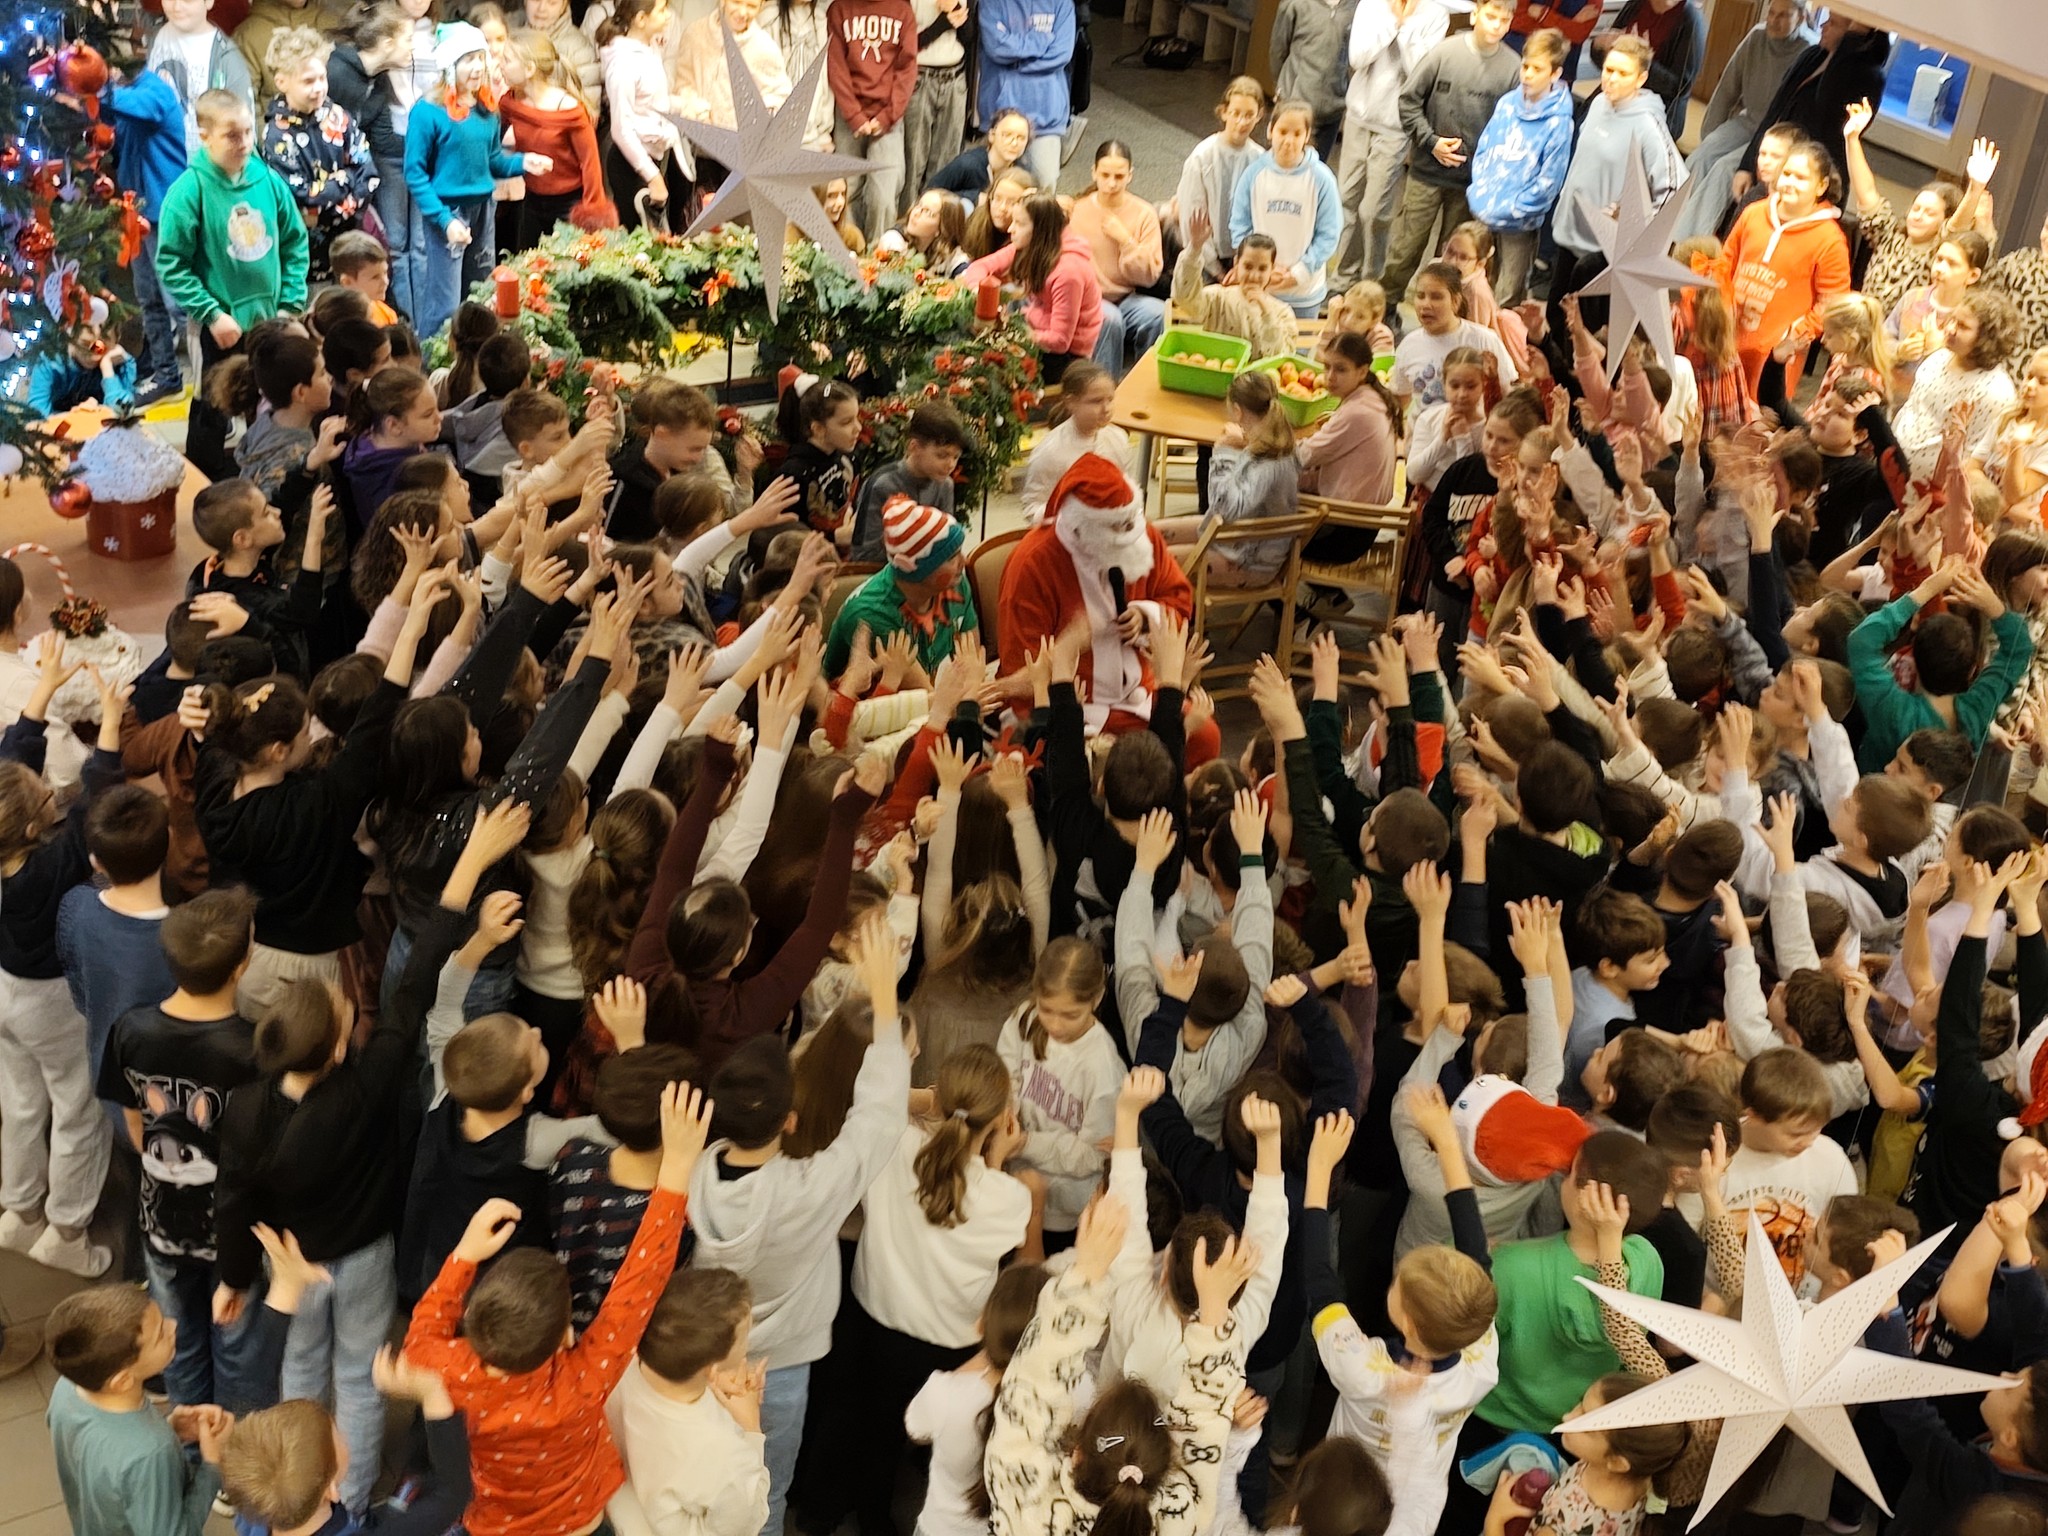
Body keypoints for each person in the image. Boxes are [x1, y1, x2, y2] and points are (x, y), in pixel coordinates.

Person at [403, 1078, 711, 1536]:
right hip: (579, 1521)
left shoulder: (442, 1373)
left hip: (493, 1525)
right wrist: (679, 1165)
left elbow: (422, 1331)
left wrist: (463, 1255)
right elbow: (638, 1285)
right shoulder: (583, 1381)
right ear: (565, 1336)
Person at [98, 889, 264, 1408]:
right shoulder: (257, 1047)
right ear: (242, 964)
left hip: (159, 1225)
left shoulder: (131, 1028)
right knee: (236, 1342)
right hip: (238, 1233)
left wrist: (161, 1165)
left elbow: (134, 1124)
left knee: (177, 1337)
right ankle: (227, 1437)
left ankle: (190, 1430)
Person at [0, 654, 128, 1279]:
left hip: (3, 992)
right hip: (49, 1001)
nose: (54, 794)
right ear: (33, 825)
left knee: (21, 1100)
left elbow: (8, 768)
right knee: (76, 1107)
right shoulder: (48, 872)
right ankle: (68, 1230)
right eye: (46, 797)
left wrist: (40, 698)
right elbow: (95, 798)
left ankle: (19, 1209)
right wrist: (111, 720)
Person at [156, 89, 310, 484]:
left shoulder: (268, 180)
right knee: (213, 405)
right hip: (220, 326)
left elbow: (294, 243)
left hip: (270, 319)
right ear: (205, 136)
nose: (244, 143)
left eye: (248, 132)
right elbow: (172, 264)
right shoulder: (189, 191)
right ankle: (204, 487)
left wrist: (289, 304)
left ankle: (266, 476)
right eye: (231, 135)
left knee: (268, 402)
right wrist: (211, 314)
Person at [996, 452, 1194, 732]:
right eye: (1116, 527)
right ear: (1082, 526)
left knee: (1205, 736)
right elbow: (1023, 665)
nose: (1128, 534)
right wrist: (1069, 646)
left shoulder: (1141, 537)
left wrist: (1145, 616)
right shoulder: (1032, 563)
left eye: (1130, 522)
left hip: (1142, 692)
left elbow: (1180, 602)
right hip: (1072, 705)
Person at [44, 1283, 233, 1536]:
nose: (173, 1325)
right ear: (122, 1381)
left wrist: (170, 1428)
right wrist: (212, 1465)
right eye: (160, 1334)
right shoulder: (152, 1452)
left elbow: (110, 1452)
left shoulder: (66, 1389)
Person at [404, 23, 552, 340]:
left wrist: (524, 162)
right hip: (448, 213)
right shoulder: (427, 112)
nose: (477, 68)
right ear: (449, 65)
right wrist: (444, 221)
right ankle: (434, 360)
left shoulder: (487, 110)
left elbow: (493, 160)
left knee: (481, 293)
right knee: (444, 303)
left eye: (480, 58)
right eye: (467, 60)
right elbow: (415, 174)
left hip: (484, 209)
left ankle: (476, 358)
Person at [607, 1267, 772, 1536]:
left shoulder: (620, 1365)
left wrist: (708, 1387)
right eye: (744, 1337)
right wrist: (750, 1425)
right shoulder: (724, 1452)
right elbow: (744, 1523)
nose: (747, 1344)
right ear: (711, 1367)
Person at [1381, 0, 1518, 307]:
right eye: (1491, 16)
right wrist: (1431, 142)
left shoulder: (1512, 69)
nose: (1497, 25)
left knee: (1455, 260)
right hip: (1426, 174)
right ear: (1475, 14)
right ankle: (1387, 307)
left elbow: (1510, 128)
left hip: (1470, 184)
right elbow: (1408, 101)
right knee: (1405, 248)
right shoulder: (1444, 53)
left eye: (1504, 20)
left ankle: (1445, 315)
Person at [1548, 35, 1683, 340]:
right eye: (1609, 70)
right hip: (1569, 236)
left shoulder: (1648, 124)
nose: (1612, 78)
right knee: (1555, 321)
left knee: (1583, 336)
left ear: (1641, 79)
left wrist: (1635, 221)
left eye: (1623, 73)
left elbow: (1674, 187)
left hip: (1600, 254)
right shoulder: (1597, 104)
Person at [1719, 133, 1849, 397]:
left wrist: (1793, 336)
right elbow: (1725, 263)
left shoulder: (1830, 240)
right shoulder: (1754, 213)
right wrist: (1719, 306)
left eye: (1801, 178)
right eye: (1787, 174)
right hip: (1725, 342)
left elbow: (1831, 304)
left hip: (1773, 359)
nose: (1790, 182)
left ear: (1821, 186)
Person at [1674, 0, 1810, 244]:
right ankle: (1666, 223)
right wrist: (1710, 133)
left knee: (1724, 169)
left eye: (1783, 16)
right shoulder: (1756, 36)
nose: (1774, 21)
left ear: (1800, 18)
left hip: (1776, 134)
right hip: (1748, 120)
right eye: (1771, 13)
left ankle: (1690, 244)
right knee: (1703, 154)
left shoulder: (1808, 50)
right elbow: (1727, 87)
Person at [258, 27, 378, 282]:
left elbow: (368, 174)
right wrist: (346, 180)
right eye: (308, 81)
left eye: (322, 78)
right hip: (305, 264)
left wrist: (339, 192)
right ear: (282, 82)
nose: (319, 88)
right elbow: (301, 199)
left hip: (351, 251)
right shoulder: (276, 136)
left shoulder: (337, 115)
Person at [1466, 27, 1572, 310]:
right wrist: (1480, 193)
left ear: (1555, 74)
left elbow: (1549, 182)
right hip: (1484, 210)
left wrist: (1513, 208)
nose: (1528, 75)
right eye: (1525, 66)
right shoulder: (1506, 104)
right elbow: (1485, 149)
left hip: (1518, 223)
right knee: (1475, 285)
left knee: (1508, 296)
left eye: (1538, 69)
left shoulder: (1559, 122)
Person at [328, 5, 418, 324]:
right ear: (387, 43)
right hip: (327, 192)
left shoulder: (378, 82)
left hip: (355, 188)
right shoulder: (336, 73)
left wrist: (430, 146)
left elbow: (385, 140)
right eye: (408, 39)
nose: (412, 47)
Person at [962, 192, 1104, 385]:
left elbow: (1060, 341)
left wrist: (1015, 334)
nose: (1010, 229)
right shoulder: (1031, 244)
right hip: (1035, 329)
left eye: (1019, 224)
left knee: (989, 371)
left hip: (1065, 358)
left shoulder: (1069, 272)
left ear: (1039, 229)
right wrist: (980, 292)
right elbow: (979, 267)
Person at [824, 497, 977, 676]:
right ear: (916, 568)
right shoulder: (872, 614)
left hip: (939, 689)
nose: (963, 562)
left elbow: (973, 666)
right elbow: (923, 690)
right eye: (951, 557)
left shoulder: (955, 584)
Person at [498, 28, 617, 245]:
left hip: (568, 205)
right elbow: (496, 144)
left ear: (529, 68)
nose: (500, 65)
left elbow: (590, 163)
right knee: (528, 260)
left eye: (507, 60)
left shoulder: (569, 110)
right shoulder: (510, 103)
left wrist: (593, 211)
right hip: (532, 202)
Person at [1228, 99, 1342, 322]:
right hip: (1261, 287)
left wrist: (1297, 274)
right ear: (1270, 130)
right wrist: (1261, 270)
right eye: (1282, 132)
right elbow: (1239, 226)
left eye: (1297, 134)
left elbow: (1329, 234)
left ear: (1306, 137)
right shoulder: (1253, 174)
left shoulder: (1322, 178)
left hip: (1304, 293)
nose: (1289, 141)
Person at [1068, 141, 1167, 375]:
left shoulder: (1144, 213)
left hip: (1127, 298)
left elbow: (1149, 277)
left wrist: (1126, 240)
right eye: (1105, 175)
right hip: (1089, 298)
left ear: (1130, 175)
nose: (1112, 183)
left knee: (1158, 313)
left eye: (1119, 176)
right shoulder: (1076, 210)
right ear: (1094, 173)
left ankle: (1145, 383)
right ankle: (1105, 390)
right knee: (1109, 319)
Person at [825, 0, 916, 239]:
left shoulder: (902, 11)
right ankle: (847, 250)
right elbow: (835, 65)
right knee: (847, 191)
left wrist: (887, 117)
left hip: (888, 118)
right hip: (848, 117)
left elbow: (907, 69)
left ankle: (879, 255)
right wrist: (854, 115)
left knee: (883, 195)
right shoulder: (839, 9)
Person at [600, 0, 691, 228]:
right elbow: (621, 129)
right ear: (641, 19)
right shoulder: (623, 64)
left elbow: (652, 103)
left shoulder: (648, 49)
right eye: (661, 10)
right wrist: (652, 175)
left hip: (655, 156)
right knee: (641, 241)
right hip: (631, 163)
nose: (668, 16)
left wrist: (685, 104)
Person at [974, 0, 1073, 194]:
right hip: (1000, 115)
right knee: (994, 191)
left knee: (1043, 191)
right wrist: (1042, 40)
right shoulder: (991, 3)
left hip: (1046, 119)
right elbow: (997, 48)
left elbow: (1061, 54)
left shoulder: (1062, 4)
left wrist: (1014, 64)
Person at [1179, 77, 1270, 285]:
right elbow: (1192, 215)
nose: (1241, 122)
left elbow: (1262, 216)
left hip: (1247, 261)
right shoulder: (1202, 157)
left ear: (1259, 116)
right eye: (1236, 113)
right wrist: (1215, 269)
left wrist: (1244, 263)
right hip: (1207, 260)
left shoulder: (1260, 160)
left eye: (1249, 115)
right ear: (1224, 112)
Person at [148, 0, 257, 153]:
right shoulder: (158, 37)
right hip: (160, 156)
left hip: (202, 162)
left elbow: (243, 134)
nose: (177, 6)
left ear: (209, 2)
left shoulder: (226, 59)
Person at [1592, 0, 1704, 141]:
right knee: (1586, 121)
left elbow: (1681, 86)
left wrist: (1641, 60)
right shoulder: (1635, 4)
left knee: (1615, 137)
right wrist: (1600, 45)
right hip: (1617, 94)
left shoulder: (1690, 19)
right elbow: (1604, 58)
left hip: (1658, 110)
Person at [901, 0, 970, 203]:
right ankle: (908, 218)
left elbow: (970, 37)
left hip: (955, 75)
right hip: (919, 76)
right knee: (913, 161)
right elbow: (903, 46)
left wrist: (956, 8)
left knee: (946, 162)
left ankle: (939, 218)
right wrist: (944, 22)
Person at [928, 107, 1032, 207]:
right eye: (1007, 135)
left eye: (1021, 138)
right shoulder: (968, 164)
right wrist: (973, 198)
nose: (1014, 143)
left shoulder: (1022, 172)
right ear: (992, 135)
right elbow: (929, 193)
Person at [876, 189, 971, 278]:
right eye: (919, 205)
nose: (916, 213)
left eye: (927, 212)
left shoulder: (949, 252)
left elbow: (966, 276)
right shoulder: (893, 239)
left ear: (942, 228)